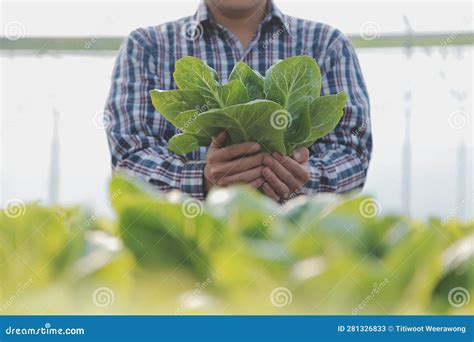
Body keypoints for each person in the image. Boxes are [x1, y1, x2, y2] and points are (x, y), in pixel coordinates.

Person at [105, 0, 372, 202]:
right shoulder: (147, 47)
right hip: (189, 247)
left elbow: (353, 155)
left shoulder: (327, 45)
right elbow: (130, 161)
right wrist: (204, 180)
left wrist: (305, 178)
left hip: (299, 249)